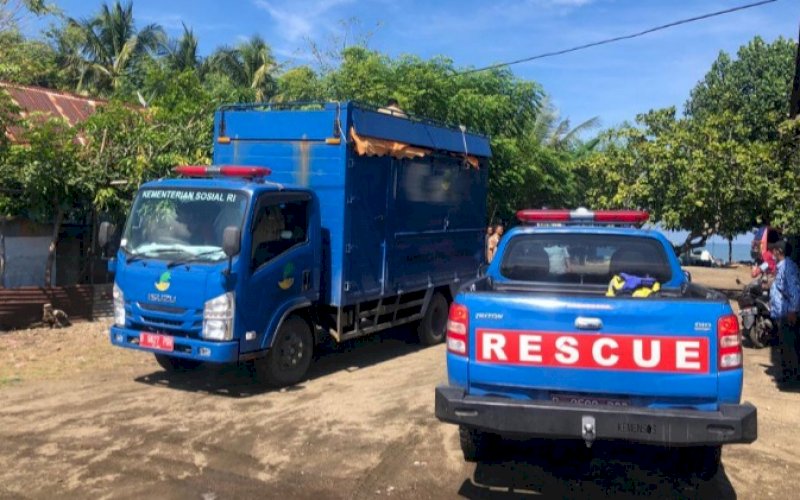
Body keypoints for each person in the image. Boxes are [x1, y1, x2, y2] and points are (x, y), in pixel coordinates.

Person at [768, 239, 800, 383]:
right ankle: (787, 375)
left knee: (789, 347)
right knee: (784, 346)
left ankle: (791, 378)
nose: (772, 253)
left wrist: (793, 311)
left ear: (779, 252)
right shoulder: (781, 267)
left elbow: (794, 291)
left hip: (787, 313)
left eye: (774, 250)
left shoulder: (787, 267)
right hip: (782, 313)